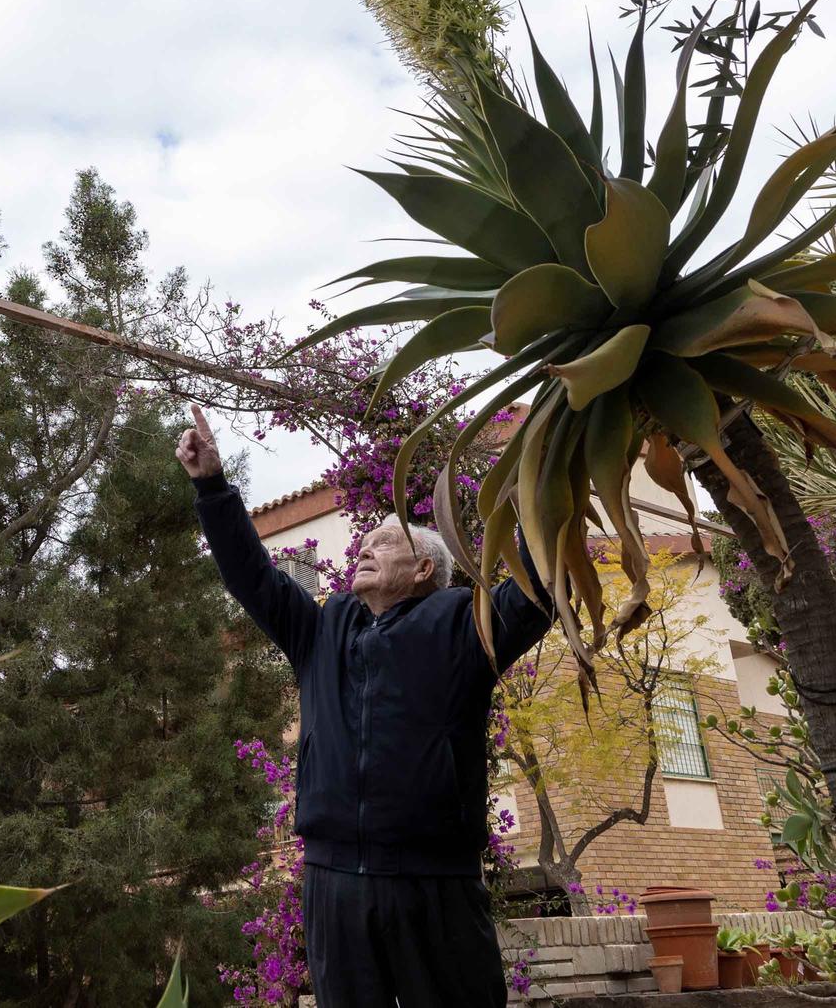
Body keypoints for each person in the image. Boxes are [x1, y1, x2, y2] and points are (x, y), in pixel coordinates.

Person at [176, 404, 554, 1007]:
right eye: (366, 538)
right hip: (334, 886)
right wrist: (213, 486)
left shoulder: (464, 625)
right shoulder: (321, 631)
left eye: (386, 539)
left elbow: (538, 586)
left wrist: (556, 468)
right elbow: (254, 578)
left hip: (433, 883)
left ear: (426, 568)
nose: (365, 545)